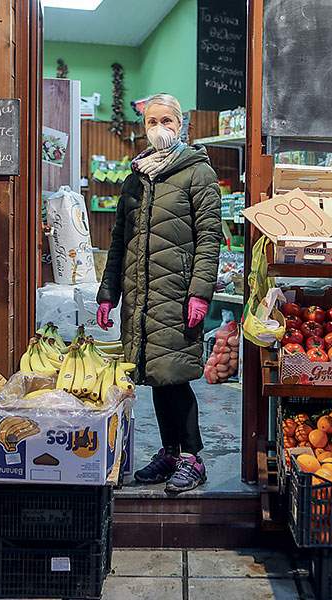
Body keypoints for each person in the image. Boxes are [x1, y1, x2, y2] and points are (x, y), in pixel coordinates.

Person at [96, 93, 222, 494]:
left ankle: (192, 458)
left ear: (181, 125)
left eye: (167, 120)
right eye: (152, 121)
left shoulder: (198, 173)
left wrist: (200, 292)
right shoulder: (136, 177)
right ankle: (170, 453)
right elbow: (120, 240)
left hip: (177, 293)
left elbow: (209, 239)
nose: (159, 128)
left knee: (176, 375)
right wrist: (108, 293)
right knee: (156, 375)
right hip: (140, 295)